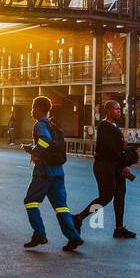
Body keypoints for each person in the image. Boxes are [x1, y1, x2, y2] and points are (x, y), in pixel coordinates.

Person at [22, 95, 83, 252]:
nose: (31, 110)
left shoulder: (40, 125)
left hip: (44, 172)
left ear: (39, 109)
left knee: (30, 202)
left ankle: (39, 234)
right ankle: (73, 237)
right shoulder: (52, 125)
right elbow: (48, 142)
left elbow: (45, 140)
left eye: (33, 107)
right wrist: (33, 147)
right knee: (61, 206)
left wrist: (35, 151)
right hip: (58, 171)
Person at [73, 100, 137, 239]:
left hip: (116, 166)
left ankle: (119, 228)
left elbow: (118, 148)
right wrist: (124, 164)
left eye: (120, 109)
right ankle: (78, 218)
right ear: (108, 110)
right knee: (106, 197)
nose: (119, 111)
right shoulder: (104, 126)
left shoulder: (114, 126)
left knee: (120, 196)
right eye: (116, 109)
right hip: (105, 166)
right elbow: (111, 150)